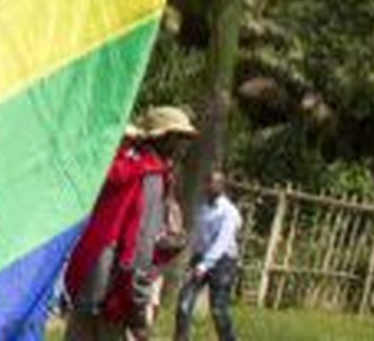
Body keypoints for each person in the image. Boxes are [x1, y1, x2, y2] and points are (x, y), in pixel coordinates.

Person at [64, 106, 198, 341]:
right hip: (115, 293)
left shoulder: (120, 164)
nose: (183, 147)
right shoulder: (151, 176)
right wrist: (137, 314)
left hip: (87, 279)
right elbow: (138, 249)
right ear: (162, 138)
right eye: (180, 138)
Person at [175, 170, 242, 341]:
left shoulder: (229, 212)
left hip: (223, 262)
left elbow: (222, 241)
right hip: (201, 257)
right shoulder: (202, 208)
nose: (209, 186)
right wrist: (194, 259)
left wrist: (205, 265)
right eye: (208, 182)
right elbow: (200, 237)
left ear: (221, 186)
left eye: (213, 182)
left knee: (219, 310)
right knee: (184, 302)